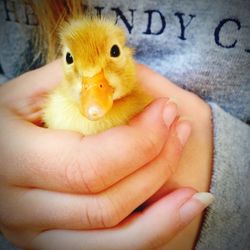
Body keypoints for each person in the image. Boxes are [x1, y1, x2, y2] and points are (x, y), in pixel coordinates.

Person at [0, 0, 249, 249]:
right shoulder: (57, 102)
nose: (95, 85)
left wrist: (225, 179)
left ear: (126, 52)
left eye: (114, 53)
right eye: (69, 58)